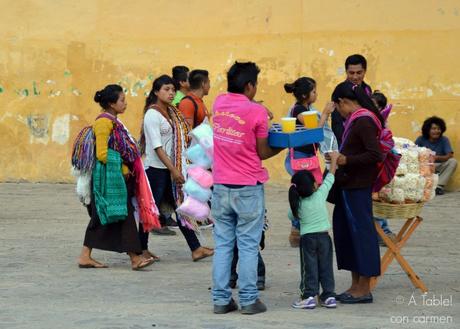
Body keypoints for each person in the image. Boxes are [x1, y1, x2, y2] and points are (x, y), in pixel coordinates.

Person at [211, 61, 284, 315]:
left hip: (220, 185)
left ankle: (221, 300)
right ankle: (249, 299)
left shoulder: (218, 103)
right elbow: (263, 151)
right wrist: (284, 143)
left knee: (223, 244)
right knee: (248, 245)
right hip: (248, 187)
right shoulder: (257, 112)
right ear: (250, 85)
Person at [78, 84, 154, 270]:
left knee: (109, 216)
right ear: (112, 103)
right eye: (122, 100)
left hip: (116, 178)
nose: (125, 103)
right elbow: (102, 153)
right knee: (119, 215)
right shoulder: (104, 122)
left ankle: (86, 255)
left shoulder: (114, 121)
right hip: (109, 179)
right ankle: (135, 258)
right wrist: (122, 167)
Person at [139, 75, 214, 262]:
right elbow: (157, 147)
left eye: (173, 90)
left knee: (181, 207)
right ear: (156, 92)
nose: (171, 93)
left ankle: (196, 248)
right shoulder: (152, 115)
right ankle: (141, 250)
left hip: (172, 168)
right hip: (157, 170)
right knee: (151, 210)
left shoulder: (172, 113)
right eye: (166, 89)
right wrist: (173, 170)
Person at [331, 82, 384, 304]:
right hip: (347, 185)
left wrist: (346, 159)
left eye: (337, 107)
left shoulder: (363, 121)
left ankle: (364, 288)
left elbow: (375, 155)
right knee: (347, 234)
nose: (338, 112)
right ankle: (355, 285)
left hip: (358, 187)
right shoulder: (355, 121)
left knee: (361, 235)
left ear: (343, 102)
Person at [284, 77, 335, 248]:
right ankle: (298, 228)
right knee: (306, 189)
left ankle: (298, 229)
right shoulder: (299, 109)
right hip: (300, 157)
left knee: (312, 188)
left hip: (307, 155)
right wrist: (326, 113)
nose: (316, 94)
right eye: (314, 91)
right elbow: (314, 132)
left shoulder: (306, 108)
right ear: (305, 95)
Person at [289, 151, 340, 310]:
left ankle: (309, 296)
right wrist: (334, 161)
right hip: (325, 238)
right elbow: (330, 177)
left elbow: (291, 216)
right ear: (314, 185)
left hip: (308, 240)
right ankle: (329, 296)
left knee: (309, 267)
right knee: (326, 267)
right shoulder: (320, 195)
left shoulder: (297, 205)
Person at [371, 91, 397, 245]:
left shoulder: (380, 122)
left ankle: (383, 231)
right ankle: (382, 231)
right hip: (375, 164)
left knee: (377, 197)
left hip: (379, 164)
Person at [331, 54, 372, 147]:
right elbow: (337, 123)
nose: (355, 77)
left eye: (359, 72)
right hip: (347, 142)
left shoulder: (367, 90)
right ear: (346, 72)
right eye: (351, 73)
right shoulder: (340, 91)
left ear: (365, 71)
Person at [415, 116, 457, 195]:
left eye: (439, 129)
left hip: (437, 166)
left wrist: (436, 157)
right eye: (433, 129)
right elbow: (413, 152)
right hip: (424, 166)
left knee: (453, 162)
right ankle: (422, 186)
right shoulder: (420, 139)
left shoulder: (444, 139)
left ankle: (438, 186)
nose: (437, 131)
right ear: (427, 130)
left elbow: (449, 155)